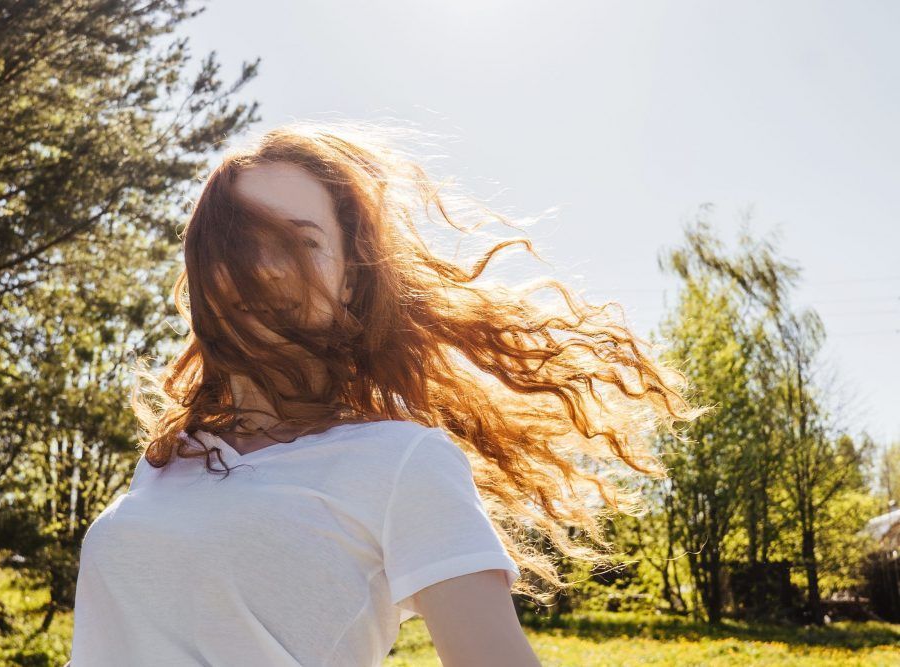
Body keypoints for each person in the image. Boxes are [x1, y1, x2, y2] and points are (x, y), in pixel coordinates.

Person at [69, 121, 702, 666]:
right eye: (239, 241)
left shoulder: (403, 462)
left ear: (350, 280)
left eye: (302, 241)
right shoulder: (169, 457)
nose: (264, 266)